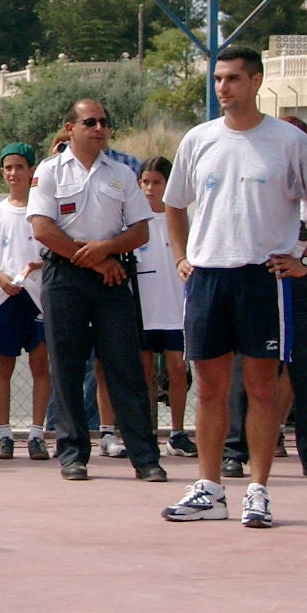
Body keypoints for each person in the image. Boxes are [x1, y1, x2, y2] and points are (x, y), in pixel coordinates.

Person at [160, 46, 307, 528]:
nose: (224, 88)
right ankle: (210, 489)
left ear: (257, 81)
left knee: (262, 388)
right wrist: (182, 257)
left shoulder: (288, 141)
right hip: (208, 278)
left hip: (264, 280)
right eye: (218, 79)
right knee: (210, 388)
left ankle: (258, 490)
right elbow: (174, 204)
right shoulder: (198, 139)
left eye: (234, 79)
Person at [28, 99, 166, 483]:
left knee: (125, 366)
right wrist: (92, 259)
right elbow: (42, 228)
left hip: (112, 278)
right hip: (64, 276)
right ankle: (73, 454)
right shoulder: (50, 171)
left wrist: (106, 251)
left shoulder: (122, 172)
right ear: (70, 127)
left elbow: (140, 229)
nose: (99, 128)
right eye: (90, 122)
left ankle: (145, 457)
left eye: (104, 122)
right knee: (67, 367)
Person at [0, 143, 49, 460]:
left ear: (31, 170)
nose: (13, 173)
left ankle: (36, 434)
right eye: (8, 168)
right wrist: (2, 278)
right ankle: (4, 434)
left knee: (40, 366)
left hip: (39, 299)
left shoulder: (44, 207)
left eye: (20, 166)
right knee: (1, 368)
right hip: (4, 298)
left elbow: (56, 251)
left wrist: (38, 266)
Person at [133, 158, 194, 458]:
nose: (150, 188)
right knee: (144, 371)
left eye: (156, 182)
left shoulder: (179, 220)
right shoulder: (133, 222)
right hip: (144, 311)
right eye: (145, 182)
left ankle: (178, 433)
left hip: (175, 310)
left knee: (177, 369)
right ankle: (146, 432)